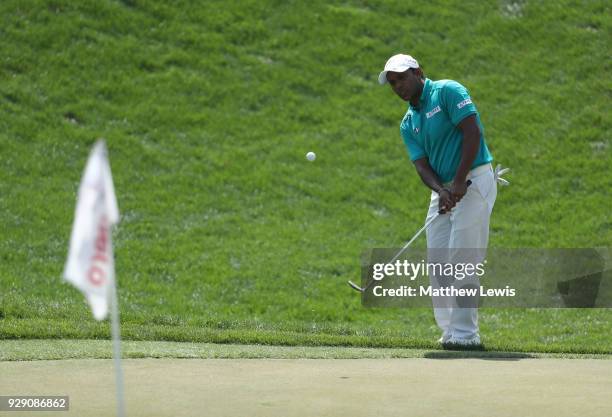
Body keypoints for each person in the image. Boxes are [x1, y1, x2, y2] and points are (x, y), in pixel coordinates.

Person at [378, 54, 497, 347]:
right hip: (444, 189)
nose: (397, 86)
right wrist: (442, 191)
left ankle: (467, 336)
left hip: (475, 178)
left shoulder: (447, 91)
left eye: (402, 78)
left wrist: (458, 182)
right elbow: (421, 165)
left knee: (462, 259)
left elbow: (472, 132)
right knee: (438, 263)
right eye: (392, 83)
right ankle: (450, 334)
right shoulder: (408, 122)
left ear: (418, 72)